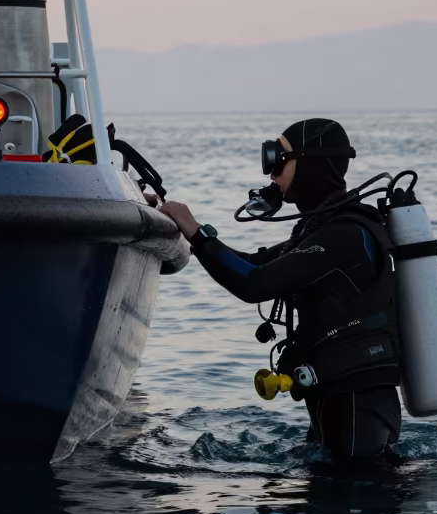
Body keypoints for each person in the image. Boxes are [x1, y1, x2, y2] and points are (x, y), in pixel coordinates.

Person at [159, 118, 403, 459]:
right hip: (338, 397)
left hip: (357, 405)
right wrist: (184, 229)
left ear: (312, 164)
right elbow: (254, 264)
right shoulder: (320, 229)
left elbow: (255, 283)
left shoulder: (344, 234)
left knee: (351, 483)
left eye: (279, 159)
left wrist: (197, 233)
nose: (271, 174)